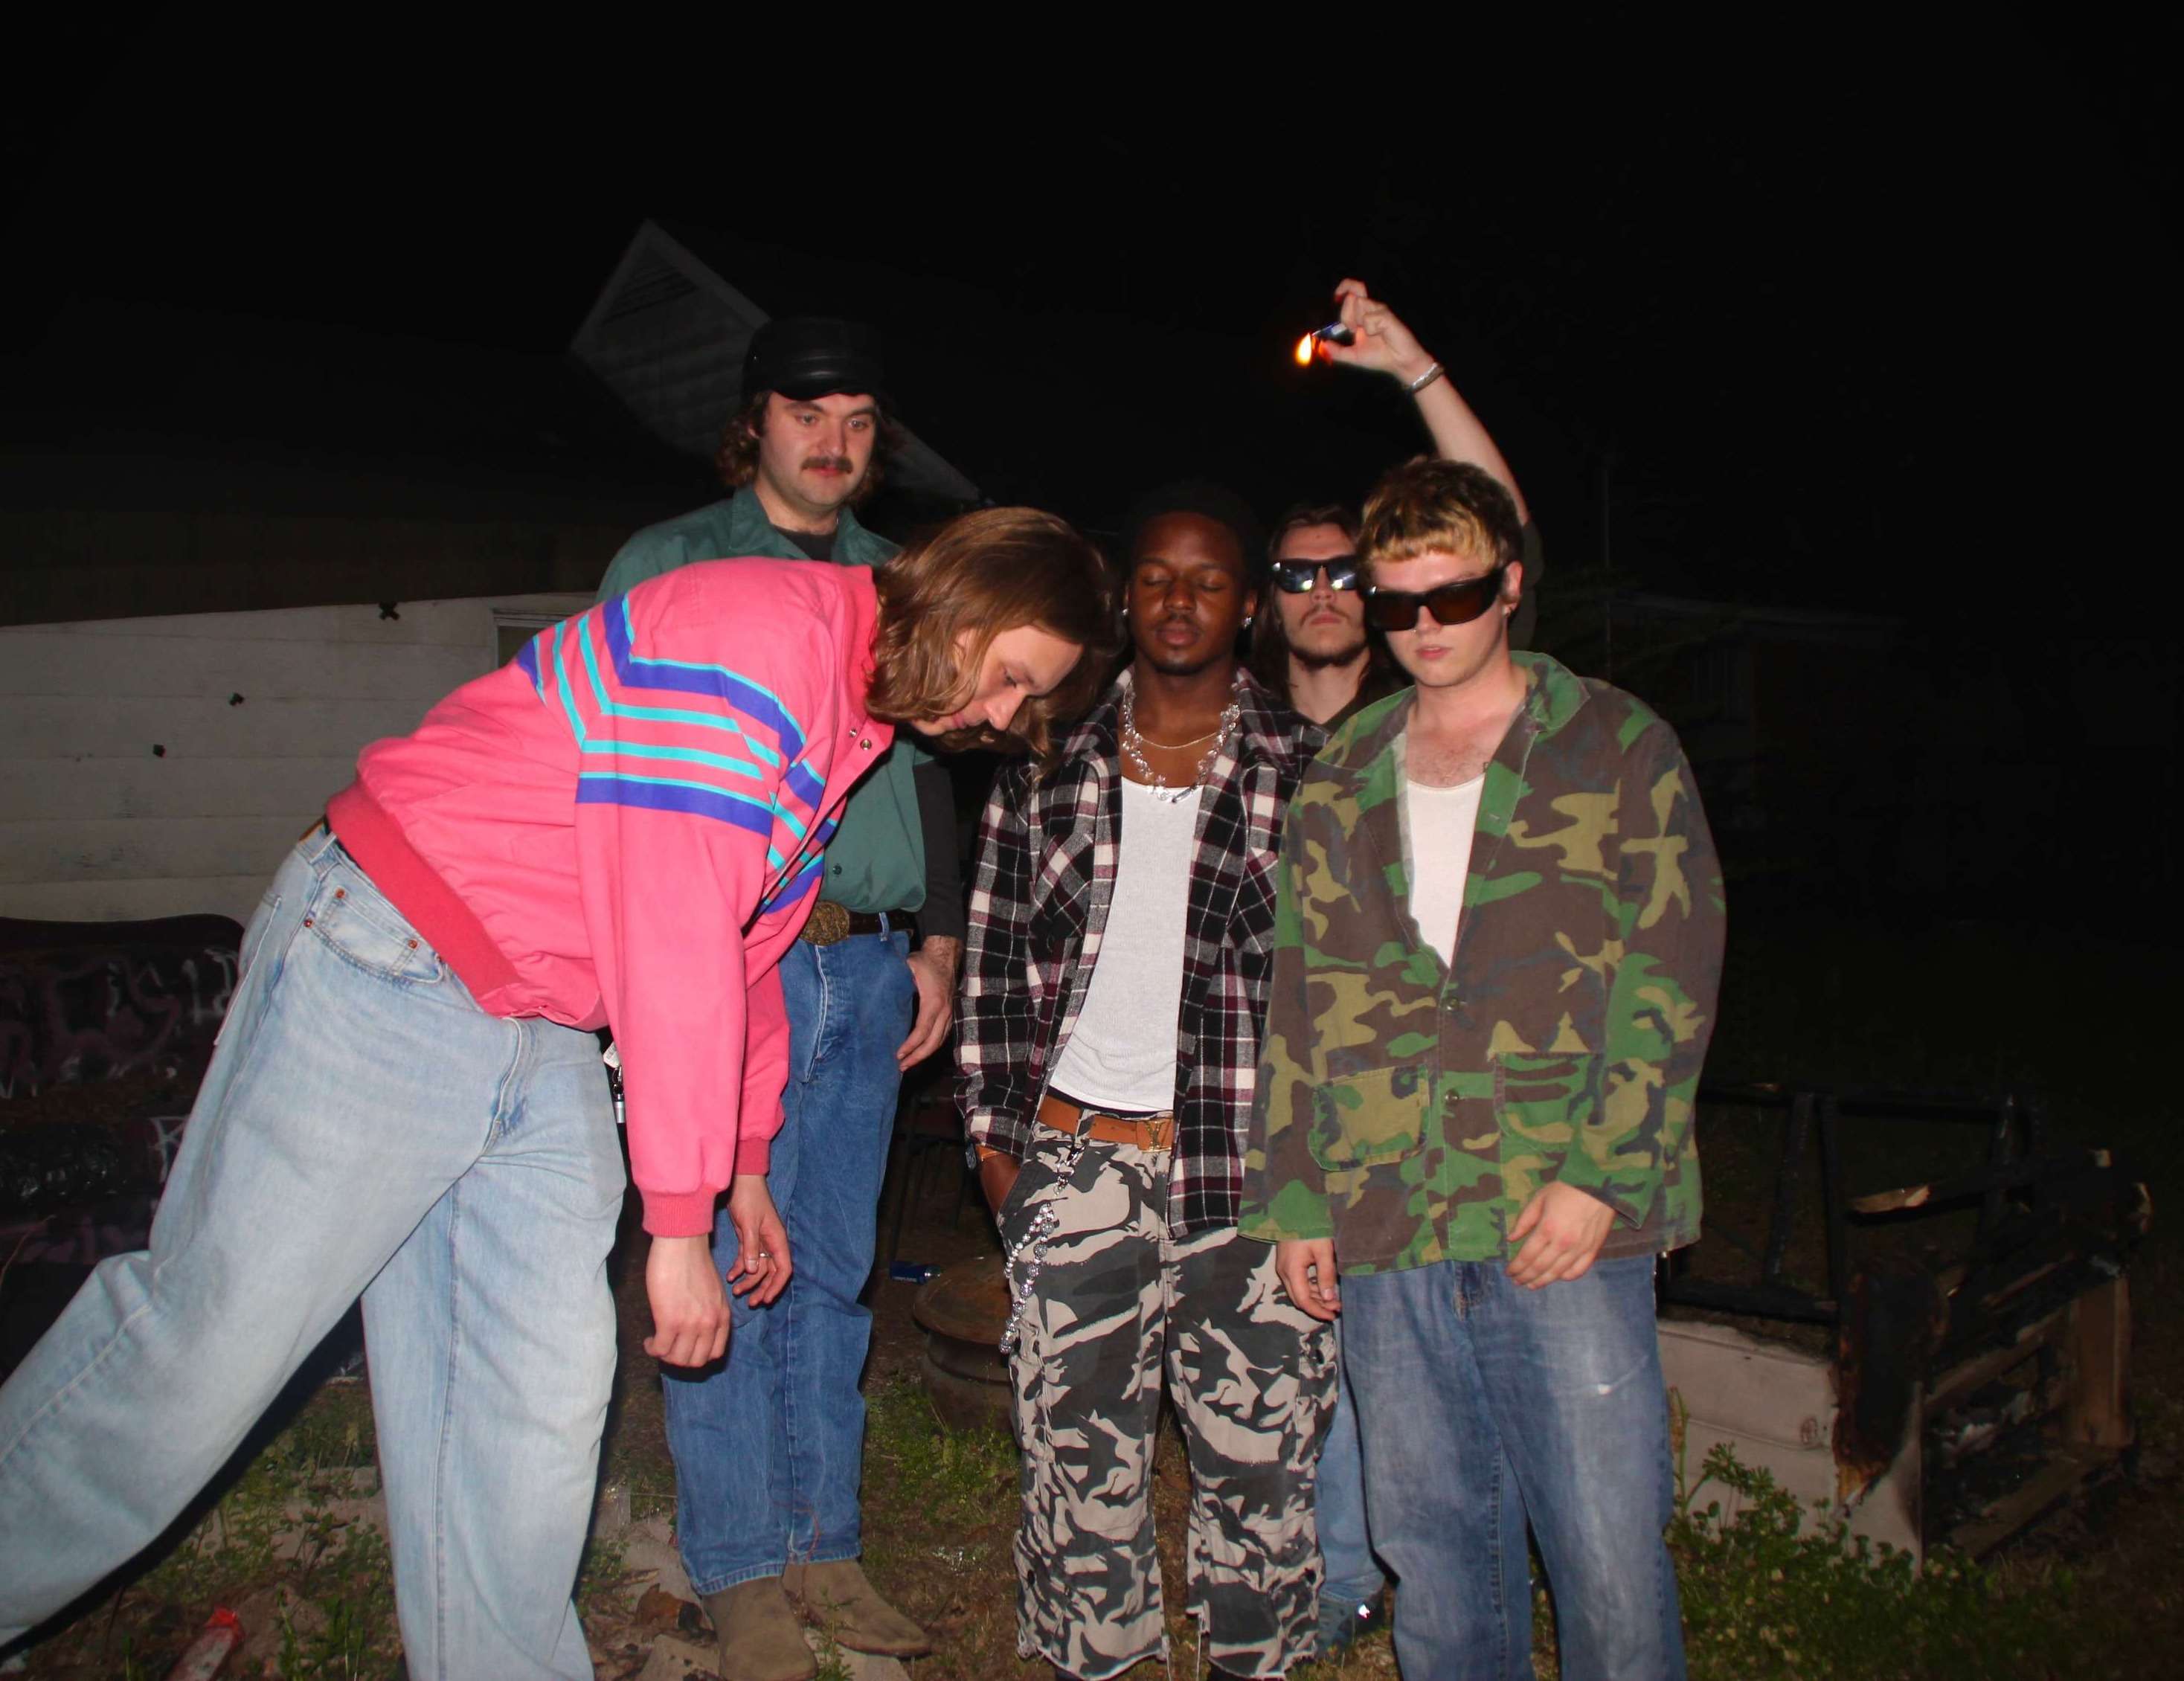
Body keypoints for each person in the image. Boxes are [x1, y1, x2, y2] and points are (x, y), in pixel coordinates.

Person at [0, 508, 1113, 1681]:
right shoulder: (757, 640)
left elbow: (747, 947)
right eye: (1006, 679)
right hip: (389, 955)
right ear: (962, 600)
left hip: (535, 1020)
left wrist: (740, 1165)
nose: (997, 718)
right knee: (207, 1349)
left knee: (531, 1402)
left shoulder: (848, 723)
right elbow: (675, 930)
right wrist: (675, 1224)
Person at [1239, 457, 1725, 1681]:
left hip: (1558, 1211)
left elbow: (1670, 975)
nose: (1423, 630)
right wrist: (1298, 1198)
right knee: (1437, 1553)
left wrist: (1604, 1177)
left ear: (1508, 585)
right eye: (1395, 605)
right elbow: (1300, 997)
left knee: (1607, 1560)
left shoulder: (1615, 744)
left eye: (1451, 599)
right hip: (1390, 1208)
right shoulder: (1342, 772)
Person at [597, 317, 963, 1680]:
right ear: (756, 421)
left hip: (864, 964)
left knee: (828, 1263)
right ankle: (743, 1567)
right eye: (812, 414)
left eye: (863, 420)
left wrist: (934, 941)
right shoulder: (669, 563)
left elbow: (932, 767)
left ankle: (827, 1543)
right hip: (720, 961)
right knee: (726, 1266)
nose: (837, 442)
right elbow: (618, 777)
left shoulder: (901, 580)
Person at [960, 487, 1335, 1681]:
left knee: (1262, 1471)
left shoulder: (1311, 767)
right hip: (1074, 1160)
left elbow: (1345, 998)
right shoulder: (1043, 750)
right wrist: (992, 1148)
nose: (1181, 599)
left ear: (1248, 607)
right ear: (1126, 597)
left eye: (1210, 580)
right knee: (1078, 1469)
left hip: (1248, 1175)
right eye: (1159, 577)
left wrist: (1322, 1176)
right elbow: (991, 964)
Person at [1251, 280, 1547, 1656]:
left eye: (1342, 574)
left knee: (1408, 1384)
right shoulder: (1235, 728)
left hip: (1431, 1124)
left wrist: (1421, 370)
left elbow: (1497, 538)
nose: (1326, 596)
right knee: (1304, 1366)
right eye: (1299, 576)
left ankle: (1384, 1579)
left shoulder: (1426, 701)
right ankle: (1322, 1574)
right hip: (1273, 1111)